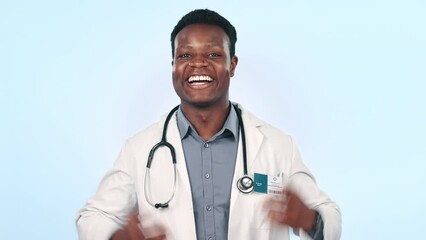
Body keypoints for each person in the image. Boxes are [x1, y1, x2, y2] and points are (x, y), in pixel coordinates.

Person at [76, 9, 341, 240]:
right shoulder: (138, 149)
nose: (198, 63)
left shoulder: (278, 146)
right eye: (184, 56)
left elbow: (328, 212)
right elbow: (93, 217)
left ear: (232, 65)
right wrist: (115, 237)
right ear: (173, 67)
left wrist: (310, 220)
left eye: (213, 53)